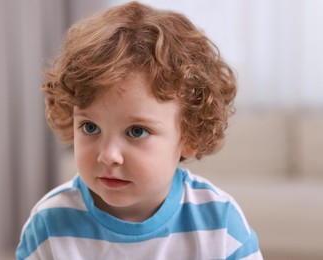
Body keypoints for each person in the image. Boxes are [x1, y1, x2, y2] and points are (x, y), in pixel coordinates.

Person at [16, 1, 262, 259]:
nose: (108, 155)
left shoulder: (220, 223)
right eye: (90, 127)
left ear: (189, 136)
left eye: (136, 131)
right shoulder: (49, 223)